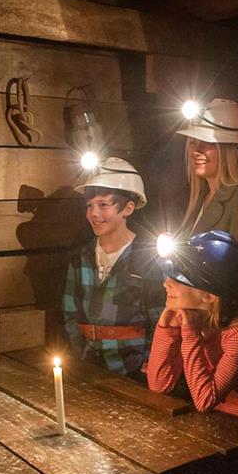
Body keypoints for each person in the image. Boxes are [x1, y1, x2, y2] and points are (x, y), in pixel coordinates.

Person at [147, 230, 238, 442]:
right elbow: (159, 385)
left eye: (178, 279)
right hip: (221, 417)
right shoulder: (191, 321)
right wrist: (165, 331)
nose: (166, 284)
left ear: (209, 296)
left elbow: (204, 400)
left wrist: (189, 335)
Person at [62, 156, 164, 383]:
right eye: (89, 205)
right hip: (89, 367)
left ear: (128, 208)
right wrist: (81, 353)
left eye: (103, 205)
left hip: (135, 370)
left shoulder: (147, 258)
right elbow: (70, 313)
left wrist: (149, 364)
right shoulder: (81, 258)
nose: (94, 213)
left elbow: (162, 321)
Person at [175, 98, 238, 324]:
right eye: (193, 141)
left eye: (207, 143)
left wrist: (228, 333)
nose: (196, 150)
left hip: (223, 334)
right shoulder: (200, 201)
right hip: (198, 330)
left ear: (229, 148)